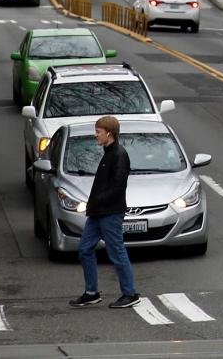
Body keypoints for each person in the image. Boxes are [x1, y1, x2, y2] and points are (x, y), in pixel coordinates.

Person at [69, 115, 140, 309]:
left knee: (117, 252)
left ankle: (130, 293)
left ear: (109, 133)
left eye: (98, 132)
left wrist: (98, 201)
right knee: (84, 249)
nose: (95, 136)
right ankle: (91, 292)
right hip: (98, 213)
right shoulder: (109, 152)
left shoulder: (118, 154)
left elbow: (118, 185)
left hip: (110, 213)